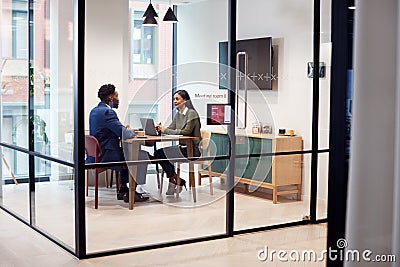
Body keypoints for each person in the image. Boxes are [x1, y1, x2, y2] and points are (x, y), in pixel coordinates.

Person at [88, 84, 149, 202]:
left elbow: (113, 129)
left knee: (127, 154)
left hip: (95, 155)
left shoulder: (94, 111)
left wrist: (123, 130)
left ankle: (123, 189)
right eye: (117, 96)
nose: (118, 100)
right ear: (110, 98)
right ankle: (131, 192)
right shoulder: (107, 112)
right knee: (141, 155)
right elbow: (123, 133)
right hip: (106, 155)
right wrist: (129, 131)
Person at [154, 90, 201, 195]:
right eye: (174, 99)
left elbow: (186, 132)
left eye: (177, 99)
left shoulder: (192, 113)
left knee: (161, 154)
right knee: (159, 153)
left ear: (185, 100)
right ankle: (176, 180)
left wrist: (165, 130)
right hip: (182, 148)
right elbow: (171, 128)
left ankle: (174, 181)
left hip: (192, 150)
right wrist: (161, 130)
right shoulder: (178, 114)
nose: (175, 101)